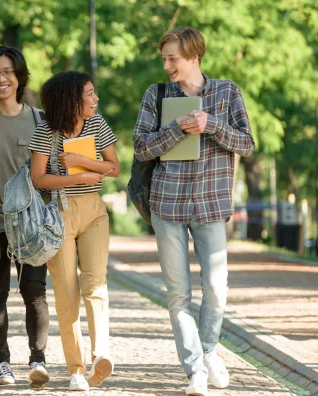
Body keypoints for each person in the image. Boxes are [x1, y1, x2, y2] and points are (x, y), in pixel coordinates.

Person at [132, 27, 255, 396]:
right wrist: (175, 129)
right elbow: (140, 148)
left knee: (217, 289)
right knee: (178, 294)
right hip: (167, 204)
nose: (167, 65)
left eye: (173, 58)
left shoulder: (227, 91)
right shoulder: (156, 95)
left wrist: (211, 125)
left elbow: (246, 144)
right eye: (164, 58)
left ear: (194, 56)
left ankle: (207, 349)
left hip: (211, 204)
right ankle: (194, 372)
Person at [29, 71, 120, 392]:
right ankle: (76, 369)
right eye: (90, 94)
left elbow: (114, 167)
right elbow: (39, 178)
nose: (96, 99)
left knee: (96, 285)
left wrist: (83, 161)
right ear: (71, 100)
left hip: (94, 211)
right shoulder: (45, 132)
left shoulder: (97, 125)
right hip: (59, 214)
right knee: (67, 294)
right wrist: (76, 178)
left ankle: (100, 355)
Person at [0, 46, 50, 388]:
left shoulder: (39, 120)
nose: (1, 78)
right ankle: (2, 363)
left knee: (34, 291)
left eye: (7, 71)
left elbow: (51, 169)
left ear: (20, 76)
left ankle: (38, 359)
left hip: (30, 226)